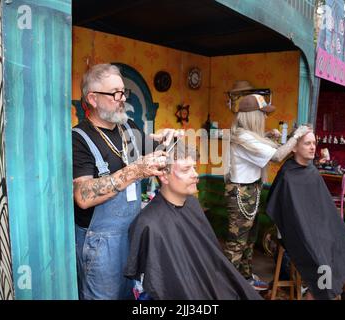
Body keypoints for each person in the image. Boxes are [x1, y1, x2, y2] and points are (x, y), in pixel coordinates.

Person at [72, 63, 181, 300]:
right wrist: (135, 171)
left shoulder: (128, 128)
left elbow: (153, 152)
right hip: (100, 245)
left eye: (123, 92)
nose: (122, 98)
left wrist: (168, 141)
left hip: (131, 235)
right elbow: (82, 196)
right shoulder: (78, 139)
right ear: (92, 98)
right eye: (115, 93)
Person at [124, 140, 262, 300]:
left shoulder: (192, 204)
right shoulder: (150, 223)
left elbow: (211, 260)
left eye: (194, 168)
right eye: (186, 169)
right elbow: (162, 284)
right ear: (164, 176)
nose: (195, 174)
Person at [223, 80, 311, 290]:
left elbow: (258, 148)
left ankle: (244, 280)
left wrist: (265, 137)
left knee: (249, 240)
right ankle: (225, 287)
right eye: (262, 114)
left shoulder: (248, 136)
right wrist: (296, 135)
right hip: (240, 192)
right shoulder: (243, 137)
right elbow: (278, 155)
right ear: (253, 116)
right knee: (236, 244)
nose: (264, 117)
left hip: (249, 190)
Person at [266, 131, 345, 300]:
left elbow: (322, 209)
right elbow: (286, 216)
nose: (313, 147)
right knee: (323, 266)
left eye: (314, 143)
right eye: (307, 143)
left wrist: (328, 229)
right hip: (299, 234)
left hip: (320, 230)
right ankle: (319, 293)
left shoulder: (312, 171)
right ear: (294, 148)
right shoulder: (288, 176)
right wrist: (312, 233)